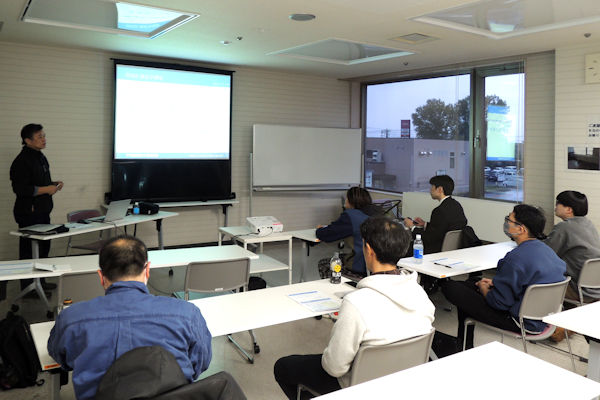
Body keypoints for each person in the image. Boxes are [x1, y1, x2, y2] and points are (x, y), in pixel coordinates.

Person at [274, 217, 435, 399]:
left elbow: (334, 368)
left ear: (368, 250)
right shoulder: (421, 295)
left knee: (283, 367)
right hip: (403, 381)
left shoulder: (356, 303)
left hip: (358, 386)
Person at [48, 236, 212, 400]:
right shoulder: (187, 313)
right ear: (147, 270)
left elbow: (61, 359)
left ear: (101, 276)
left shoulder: (71, 318)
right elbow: (200, 362)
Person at [441, 205, 566, 350]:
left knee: (452, 288)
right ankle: (463, 343)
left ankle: (464, 343)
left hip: (520, 321)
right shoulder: (548, 251)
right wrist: (495, 283)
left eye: (509, 220)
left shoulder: (516, 258)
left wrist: (484, 288)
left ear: (521, 229)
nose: (506, 223)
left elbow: (498, 303)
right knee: (470, 284)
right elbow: (530, 281)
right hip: (543, 317)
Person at [9, 123, 63, 294]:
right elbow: (21, 189)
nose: (43, 139)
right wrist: (47, 189)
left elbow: (38, 181)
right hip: (29, 212)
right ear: (28, 140)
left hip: (43, 210)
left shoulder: (40, 156)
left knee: (43, 247)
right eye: (39, 137)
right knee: (29, 250)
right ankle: (28, 287)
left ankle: (41, 281)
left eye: (44, 136)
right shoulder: (21, 161)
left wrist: (53, 184)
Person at [544, 191, 600, 301]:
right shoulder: (589, 224)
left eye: (558, 203)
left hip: (579, 290)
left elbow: (545, 253)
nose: (555, 206)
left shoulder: (564, 227)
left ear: (569, 209)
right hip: (596, 289)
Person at [316, 187, 382, 277]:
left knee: (324, 264)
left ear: (351, 201)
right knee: (343, 256)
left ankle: (341, 284)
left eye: (347, 198)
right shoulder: (379, 213)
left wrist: (319, 229)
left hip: (361, 266)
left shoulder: (351, 216)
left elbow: (327, 235)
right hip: (381, 265)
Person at [403, 175, 467, 254]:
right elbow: (441, 228)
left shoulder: (439, 211)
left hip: (435, 249)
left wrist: (411, 226)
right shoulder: (456, 205)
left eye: (432, 187)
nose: (430, 190)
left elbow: (428, 238)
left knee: (402, 247)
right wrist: (425, 224)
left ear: (440, 189)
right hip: (452, 249)